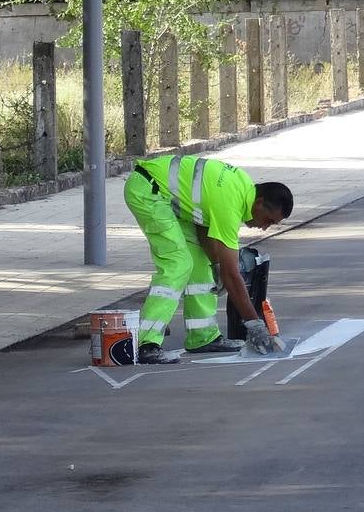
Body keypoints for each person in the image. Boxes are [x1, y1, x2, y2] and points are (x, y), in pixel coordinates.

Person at [124, 154, 294, 364]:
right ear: (259, 203)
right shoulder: (230, 205)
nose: (265, 227)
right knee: (178, 263)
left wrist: (215, 264)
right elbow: (232, 274)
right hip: (149, 191)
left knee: (201, 263)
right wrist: (254, 324)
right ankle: (145, 343)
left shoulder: (243, 188)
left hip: (171, 200)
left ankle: (202, 336)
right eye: (268, 220)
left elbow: (203, 223)